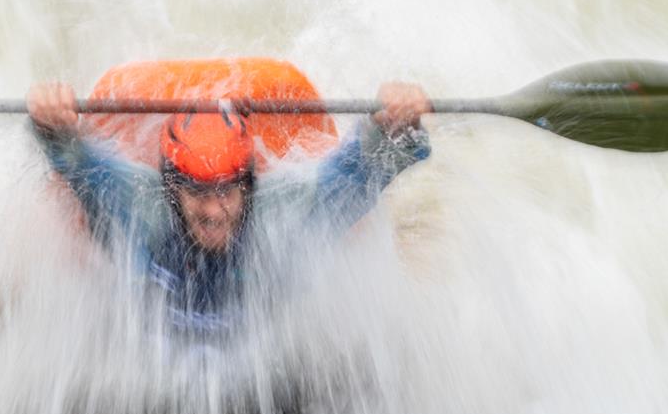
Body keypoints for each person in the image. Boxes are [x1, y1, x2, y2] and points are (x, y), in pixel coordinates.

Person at [27, 77, 432, 338]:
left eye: (226, 191)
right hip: (158, 353)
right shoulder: (138, 202)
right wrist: (51, 119)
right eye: (196, 192)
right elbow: (76, 159)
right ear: (171, 189)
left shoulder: (285, 210)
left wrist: (395, 122)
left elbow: (362, 168)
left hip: (268, 353)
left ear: (248, 186)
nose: (214, 211)